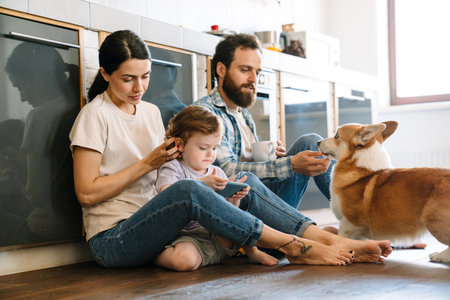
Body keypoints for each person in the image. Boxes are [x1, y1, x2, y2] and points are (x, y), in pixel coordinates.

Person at [69, 29, 392, 271]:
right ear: (106, 74)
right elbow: (86, 194)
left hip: (157, 225)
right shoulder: (94, 116)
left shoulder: (151, 111)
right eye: (128, 79)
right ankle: (297, 247)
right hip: (114, 238)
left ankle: (331, 239)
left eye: (145, 77)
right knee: (188, 191)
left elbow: (176, 169)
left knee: (243, 182)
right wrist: (148, 163)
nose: (139, 87)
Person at [193, 33, 332, 209]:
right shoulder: (204, 113)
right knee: (302, 150)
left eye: (257, 72)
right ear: (221, 70)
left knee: (311, 142)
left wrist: (274, 158)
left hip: (259, 196)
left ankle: (355, 213)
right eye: (245, 70)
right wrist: (290, 164)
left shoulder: (244, 115)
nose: (253, 79)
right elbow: (226, 171)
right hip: (236, 206)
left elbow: (252, 167)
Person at [155, 106, 279, 270]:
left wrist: (234, 199)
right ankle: (154, 256)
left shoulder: (217, 172)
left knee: (239, 218)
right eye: (203, 148)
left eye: (214, 148)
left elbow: (226, 213)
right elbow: (168, 194)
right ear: (180, 144)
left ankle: (251, 250)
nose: (210, 154)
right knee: (183, 260)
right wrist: (202, 183)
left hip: (217, 237)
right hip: (188, 237)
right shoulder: (173, 167)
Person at [5, 42, 82, 242]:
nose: (22, 98)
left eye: (20, 86)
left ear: (38, 78)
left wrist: (21, 166)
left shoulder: (38, 116)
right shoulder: (81, 105)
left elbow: (36, 193)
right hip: (79, 225)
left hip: (48, 228)